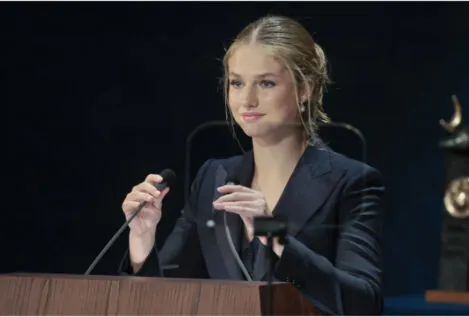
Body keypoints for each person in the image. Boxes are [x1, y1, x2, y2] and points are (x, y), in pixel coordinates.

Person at [118, 15, 385, 315]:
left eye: (266, 83)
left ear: (305, 89)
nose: (247, 99)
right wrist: (142, 238)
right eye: (237, 83)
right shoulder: (212, 178)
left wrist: (273, 232)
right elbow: (166, 299)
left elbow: (364, 302)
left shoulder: (351, 181)